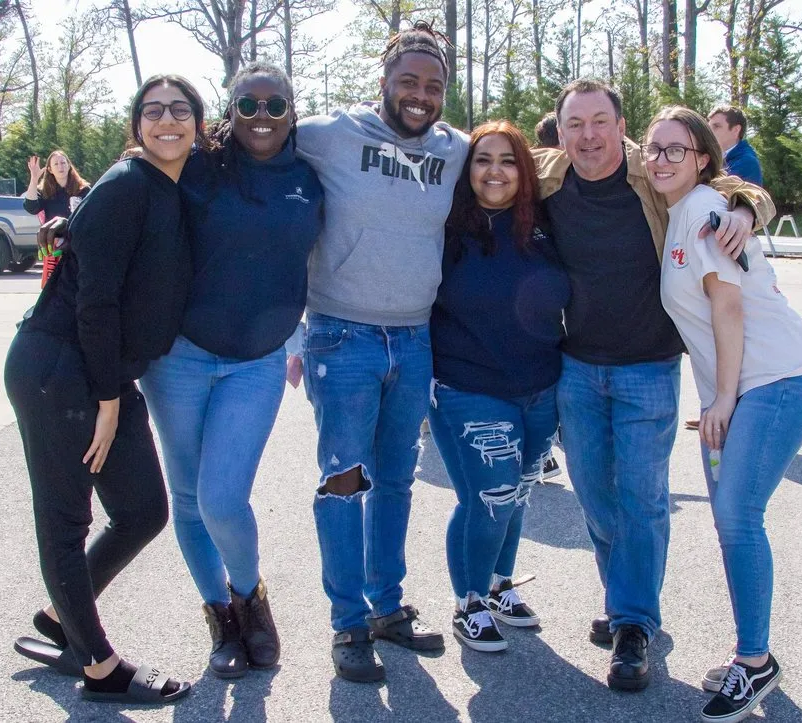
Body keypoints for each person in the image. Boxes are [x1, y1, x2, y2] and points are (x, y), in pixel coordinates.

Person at [532, 79, 775, 692]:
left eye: (600, 122)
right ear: (560, 132)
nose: (588, 136)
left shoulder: (655, 170)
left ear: (622, 127)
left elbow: (740, 189)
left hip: (648, 367)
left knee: (642, 497)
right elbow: (482, 163)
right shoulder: (548, 177)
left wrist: (748, 210)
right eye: (575, 124)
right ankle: (626, 600)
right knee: (595, 497)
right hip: (577, 367)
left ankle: (635, 624)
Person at [4, 74, 204, 706]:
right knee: (66, 520)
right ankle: (98, 667)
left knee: (144, 510)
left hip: (102, 371)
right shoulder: (124, 187)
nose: (167, 120)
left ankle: (66, 619)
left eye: (181, 110)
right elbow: (96, 303)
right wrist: (109, 401)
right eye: (153, 111)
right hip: (58, 367)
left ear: (198, 124)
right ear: (136, 124)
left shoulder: (170, 188)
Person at [296, 21, 470, 682]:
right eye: (408, 83)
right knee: (346, 480)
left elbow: (545, 159)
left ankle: (386, 608)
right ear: (384, 84)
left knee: (396, 480)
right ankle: (347, 623)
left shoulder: (456, 149)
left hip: (416, 337)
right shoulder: (331, 134)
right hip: (343, 336)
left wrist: (739, 197)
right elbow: (251, 138)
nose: (420, 96)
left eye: (433, 85)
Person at [138, 62, 323, 679]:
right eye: (249, 105)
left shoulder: (312, 177)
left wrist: (301, 333)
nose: (262, 118)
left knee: (222, 497)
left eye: (275, 106)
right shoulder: (197, 166)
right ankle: (220, 616)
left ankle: (251, 597)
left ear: (292, 111)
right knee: (189, 500)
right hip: (179, 359)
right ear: (231, 109)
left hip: (258, 361)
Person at [644, 105, 802, 722]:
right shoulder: (676, 215)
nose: (662, 158)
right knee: (732, 521)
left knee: (737, 514)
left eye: (676, 149)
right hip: (740, 390)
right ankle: (752, 653)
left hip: (776, 380)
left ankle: (754, 663)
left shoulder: (701, 212)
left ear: (702, 159)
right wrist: (721, 395)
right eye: (654, 147)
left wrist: (721, 397)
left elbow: (729, 310)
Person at [429, 121, 569, 652]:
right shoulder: (445, 226)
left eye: (508, 160)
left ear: (525, 170)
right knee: (490, 496)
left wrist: (742, 203)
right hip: (468, 385)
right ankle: (468, 602)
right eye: (483, 159)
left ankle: (497, 583)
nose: (495, 171)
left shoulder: (543, 225)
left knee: (520, 493)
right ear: (469, 169)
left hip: (540, 385)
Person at [23, 150, 91, 287]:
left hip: (77, 244)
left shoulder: (83, 189)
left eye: (63, 162)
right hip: (53, 245)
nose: (60, 166)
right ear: (50, 169)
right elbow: (31, 207)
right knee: (53, 287)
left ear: (69, 165)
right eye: (56, 164)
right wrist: (34, 178)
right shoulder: (45, 191)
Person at [707, 105, 763, 186]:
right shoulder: (713, 157)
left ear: (736, 130)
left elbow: (717, 194)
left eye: (716, 126)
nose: (709, 132)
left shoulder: (747, 163)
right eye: (709, 127)